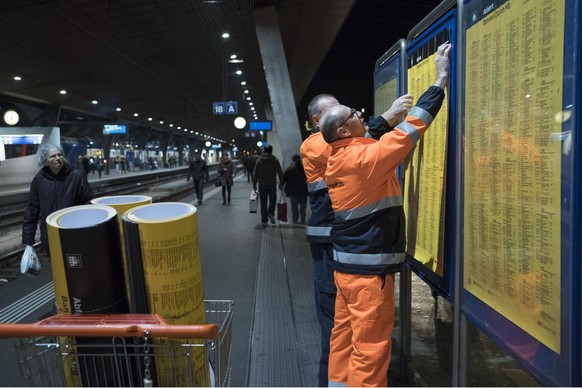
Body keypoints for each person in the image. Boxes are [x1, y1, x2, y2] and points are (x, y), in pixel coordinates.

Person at [319, 42, 451, 387]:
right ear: (345, 130)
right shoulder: (364, 161)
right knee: (371, 349)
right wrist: (440, 79)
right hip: (367, 274)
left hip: (347, 269)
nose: (361, 114)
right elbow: (411, 130)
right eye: (355, 115)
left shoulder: (340, 157)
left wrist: (388, 114)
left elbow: (371, 138)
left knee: (343, 338)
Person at [301, 89, 414, 388]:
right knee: (342, 335)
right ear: (318, 121)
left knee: (344, 333)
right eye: (336, 111)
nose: (350, 116)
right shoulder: (315, 145)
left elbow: (361, 141)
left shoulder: (334, 145)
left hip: (342, 250)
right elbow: (359, 145)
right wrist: (389, 117)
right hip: (336, 251)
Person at [252, 145, 284, 228]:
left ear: (264, 150)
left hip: (262, 184)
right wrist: (281, 184)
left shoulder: (259, 160)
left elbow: (255, 174)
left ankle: (264, 220)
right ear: (271, 151)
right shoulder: (275, 160)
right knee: (273, 200)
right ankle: (270, 213)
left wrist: (254, 185)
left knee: (263, 202)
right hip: (272, 184)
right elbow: (280, 173)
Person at [283, 154, 308, 224]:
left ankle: (295, 218)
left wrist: (281, 185)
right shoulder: (304, 168)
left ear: (293, 160)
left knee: (294, 205)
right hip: (303, 190)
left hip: (293, 190)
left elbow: (284, 178)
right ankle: (302, 215)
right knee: (303, 204)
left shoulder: (289, 169)